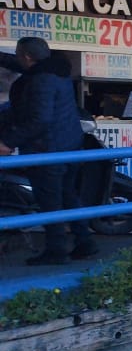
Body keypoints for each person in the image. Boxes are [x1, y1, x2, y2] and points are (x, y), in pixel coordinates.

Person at [0, 37, 96, 264]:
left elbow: (39, 120)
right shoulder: (56, 69)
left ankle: (56, 251)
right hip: (69, 145)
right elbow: (20, 64)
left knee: (49, 202)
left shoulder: (39, 80)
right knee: (68, 196)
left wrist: (8, 141)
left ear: (26, 57)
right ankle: (85, 242)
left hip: (47, 149)